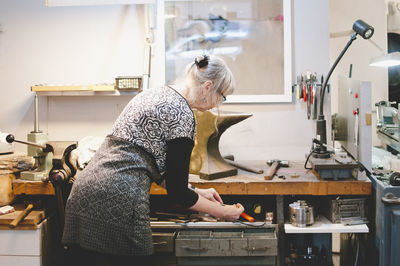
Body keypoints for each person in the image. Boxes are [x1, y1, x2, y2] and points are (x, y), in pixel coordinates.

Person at [62, 55, 244, 266]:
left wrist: (197, 191)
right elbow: (178, 194)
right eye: (222, 97)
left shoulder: (155, 93)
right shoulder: (182, 116)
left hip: (83, 192)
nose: (218, 104)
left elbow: (158, 168)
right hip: (119, 201)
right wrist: (224, 212)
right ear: (207, 86)